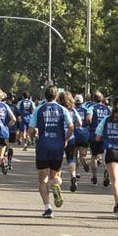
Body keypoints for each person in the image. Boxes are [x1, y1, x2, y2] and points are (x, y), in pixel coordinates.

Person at [29, 85, 74, 218]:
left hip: (43, 146)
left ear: (45, 96)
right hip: (57, 147)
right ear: (56, 96)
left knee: (42, 179)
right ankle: (57, 185)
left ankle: (48, 208)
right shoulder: (62, 109)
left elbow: (31, 129)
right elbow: (71, 126)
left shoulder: (39, 109)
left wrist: (34, 135)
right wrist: (65, 138)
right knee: (55, 176)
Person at [59, 92, 87, 192]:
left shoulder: (58, 109)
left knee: (59, 159)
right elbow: (80, 123)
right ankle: (73, 175)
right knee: (71, 158)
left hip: (59, 136)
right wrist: (72, 126)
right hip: (71, 136)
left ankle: (58, 180)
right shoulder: (73, 110)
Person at [86, 93, 112, 186]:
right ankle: (107, 174)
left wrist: (90, 125)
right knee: (106, 156)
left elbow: (89, 119)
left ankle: (94, 177)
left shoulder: (92, 108)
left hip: (94, 134)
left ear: (93, 99)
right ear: (102, 99)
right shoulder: (108, 109)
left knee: (94, 156)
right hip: (106, 135)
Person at [70, 94, 92, 191]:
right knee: (82, 155)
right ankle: (84, 161)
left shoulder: (72, 110)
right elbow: (89, 120)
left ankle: (76, 173)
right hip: (84, 134)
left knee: (74, 156)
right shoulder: (86, 110)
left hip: (74, 135)